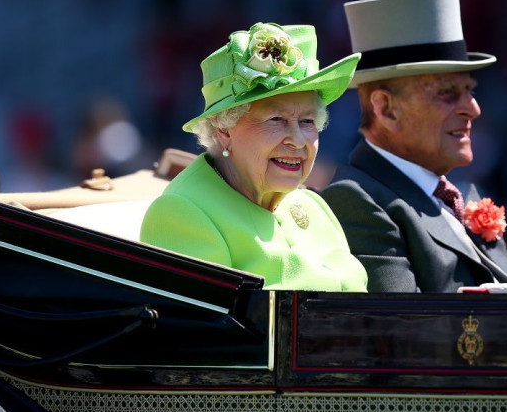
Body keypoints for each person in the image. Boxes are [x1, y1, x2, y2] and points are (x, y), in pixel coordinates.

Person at [321, 0, 507, 293]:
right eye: (447, 93)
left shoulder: (458, 196)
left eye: (470, 90)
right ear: (387, 109)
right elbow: (404, 331)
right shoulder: (358, 200)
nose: (473, 108)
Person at [140, 22, 367, 291]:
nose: (297, 141)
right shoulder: (181, 215)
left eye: (307, 121)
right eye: (276, 119)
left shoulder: (313, 205)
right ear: (223, 130)